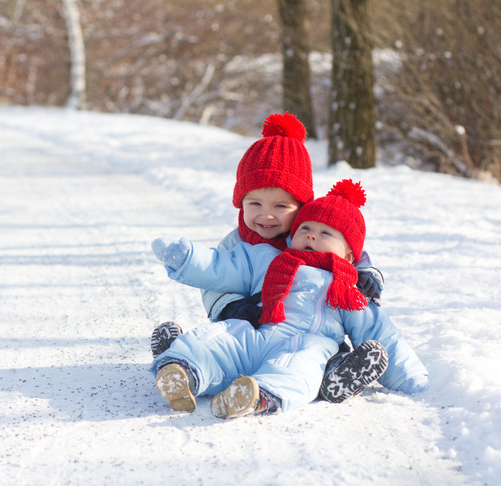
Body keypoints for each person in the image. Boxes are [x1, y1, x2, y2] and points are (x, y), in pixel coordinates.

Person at [150, 112, 386, 403]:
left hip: (299, 331)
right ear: (241, 202)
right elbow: (213, 276)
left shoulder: (306, 236)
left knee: (310, 354)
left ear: (301, 206)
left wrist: (365, 272)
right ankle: (179, 359)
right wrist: (231, 308)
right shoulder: (236, 242)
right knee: (218, 339)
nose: (266, 215)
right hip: (246, 322)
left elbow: (343, 249)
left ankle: (334, 375)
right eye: (255, 203)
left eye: (281, 205)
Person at [150, 179, 428, 418]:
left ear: (349, 256)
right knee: (217, 337)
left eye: (325, 234)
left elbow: (380, 330)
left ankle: (257, 396)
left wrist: (408, 376)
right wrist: (185, 257)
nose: (311, 236)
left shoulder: (346, 288)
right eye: (305, 228)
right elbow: (223, 266)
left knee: (303, 367)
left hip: (305, 341)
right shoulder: (267, 257)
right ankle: (182, 370)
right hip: (259, 330)